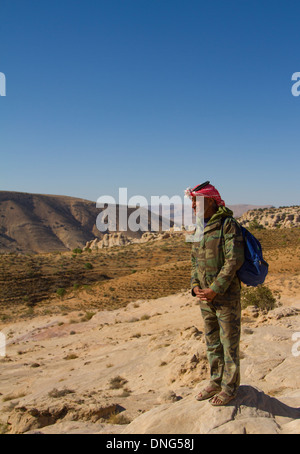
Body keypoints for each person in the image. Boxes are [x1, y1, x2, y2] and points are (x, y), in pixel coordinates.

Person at [186, 181, 244, 406]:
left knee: (229, 343)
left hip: (225, 296)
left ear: (209, 201)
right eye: (191, 201)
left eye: (196, 201)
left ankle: (230, 388)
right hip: (204, 298)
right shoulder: (199, 226)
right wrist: (194, 286)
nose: (192, 205)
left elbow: (234, 260)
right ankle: (215, 381)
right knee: (212, 341)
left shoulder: (227, 224)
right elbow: (193, 261)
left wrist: (215, 289)